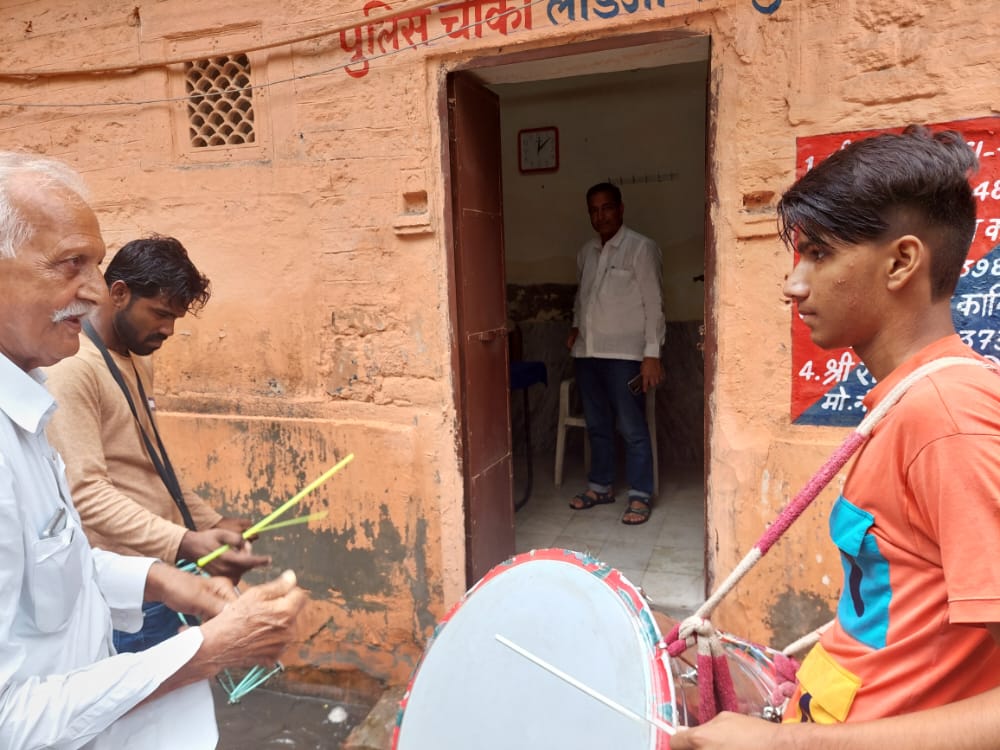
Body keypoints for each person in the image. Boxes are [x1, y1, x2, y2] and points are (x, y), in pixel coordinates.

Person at [671, 127, 1000, 749]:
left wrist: (782, 745)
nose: (794, 285)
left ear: (902, 262)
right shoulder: (908, 401)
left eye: (819, 254)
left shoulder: (949, 418)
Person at [0, 150, 307, 748]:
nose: (88, 292)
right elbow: (89, 500)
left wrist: (177, 572)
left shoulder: (48, 379)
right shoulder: (69, 371)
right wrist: (206, 645)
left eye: (93, 264)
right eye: (70, 264)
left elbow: (72, 540)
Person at [45, 235, 270, 653]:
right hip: (123, 587)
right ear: (119, 293)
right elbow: (85, 494)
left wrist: (210, 523)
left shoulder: (137, 357)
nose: (168, 329)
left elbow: (150, 464)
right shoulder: (72, 369)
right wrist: (186, 541)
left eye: (175, 318)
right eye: (161, 314)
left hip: (159, 573)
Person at [566, 182, 665, 525]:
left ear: (620, 209)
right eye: (593, 210)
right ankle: (601, 486)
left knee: (631, 426)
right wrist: (577, 327)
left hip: (626, 356)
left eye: (607, 207)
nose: (600, 215)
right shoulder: (585, 252)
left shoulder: (641, 248)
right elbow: (583, 297)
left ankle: (639, 494)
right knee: (597, 425)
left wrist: (652, 354)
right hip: (587, 353)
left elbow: (654, 304)